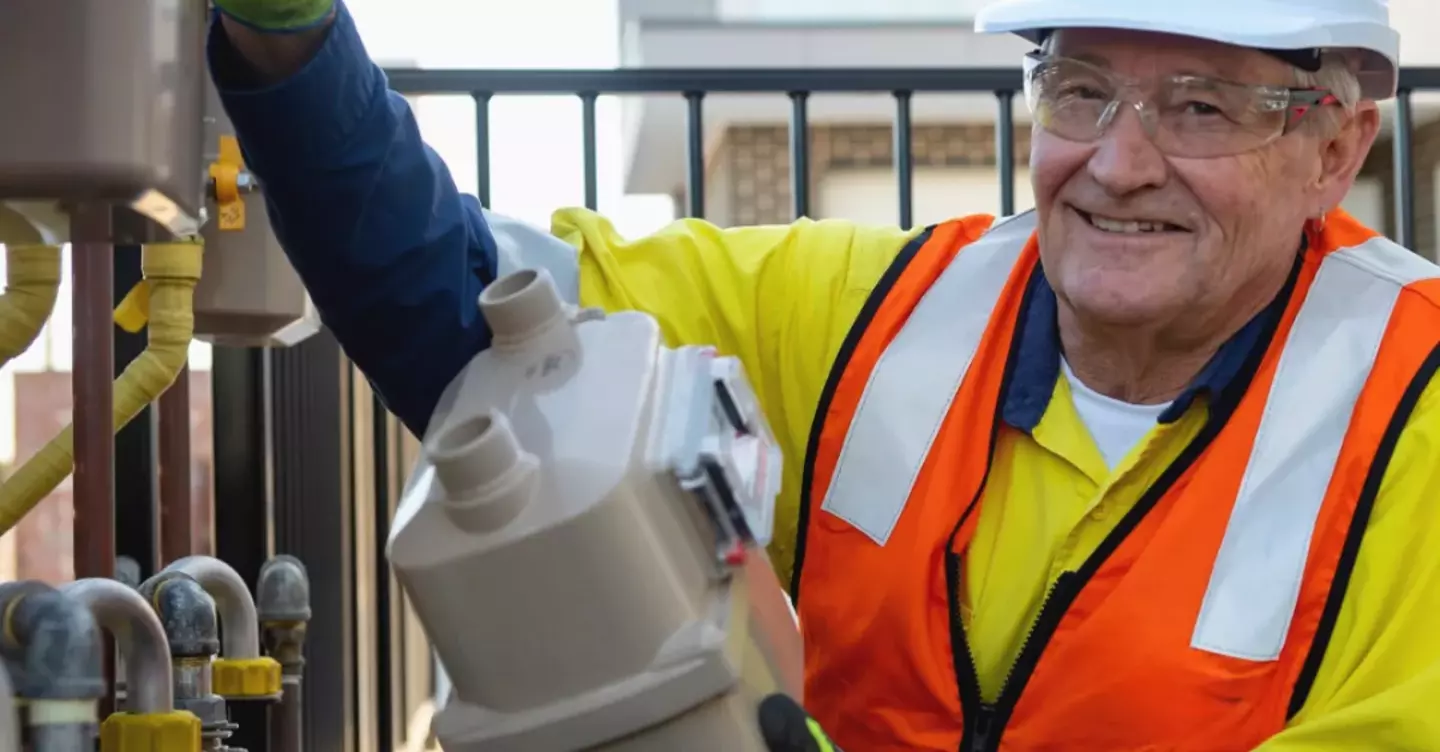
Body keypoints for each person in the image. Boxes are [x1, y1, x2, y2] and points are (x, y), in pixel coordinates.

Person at [209, 0, 1440, 748]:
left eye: (1201, 110)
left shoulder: (1415, 399)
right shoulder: (874, 315)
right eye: (1081, 90)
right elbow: (485, 341)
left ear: (1337, 145)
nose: (1119, 163)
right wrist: (293, 49)